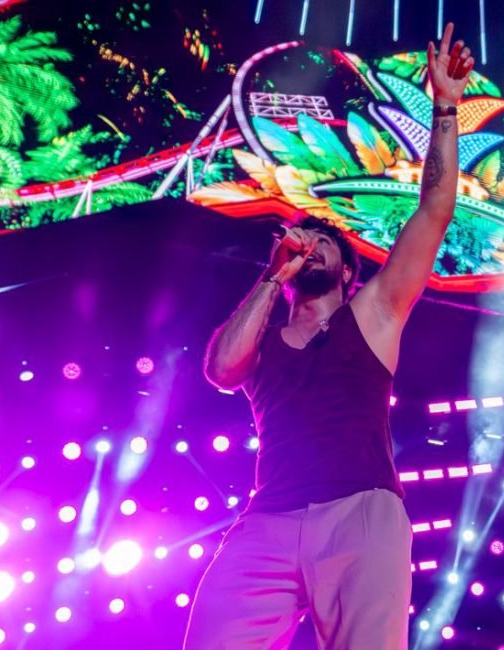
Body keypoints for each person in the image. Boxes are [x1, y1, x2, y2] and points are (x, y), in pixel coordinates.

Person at [185, 23, 475, 650]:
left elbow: (434, 209)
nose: (310, 246)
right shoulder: (263, 337)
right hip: (268, 516)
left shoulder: (373, 313)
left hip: (360, 511)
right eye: (302, 240)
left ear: (348, 270)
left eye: (325, 243)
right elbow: (221, 369)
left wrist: (446, 108)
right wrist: (271, 277)